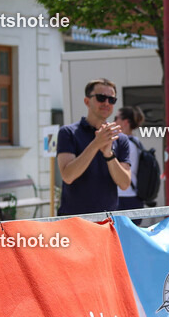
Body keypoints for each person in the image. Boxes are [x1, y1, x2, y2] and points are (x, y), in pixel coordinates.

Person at [56, 78, 131, 216]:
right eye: (101, 98)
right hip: (74, 220)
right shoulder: (68, 133)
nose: (106, 103)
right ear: (87, 101)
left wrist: (109, 155)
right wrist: (96, 144)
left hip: (107, 221)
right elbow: (68, 176)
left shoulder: (121, 139)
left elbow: (125, 184)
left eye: (111, 100)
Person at [115, 106, 147, 213]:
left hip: (123, 197)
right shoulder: (136, 142)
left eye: (116, 118)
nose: (114, 122)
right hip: (134, 196)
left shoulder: (125, 144)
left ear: (125, 122)